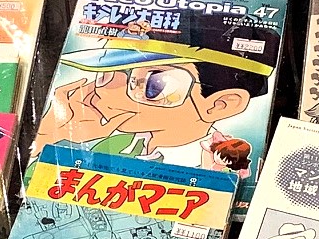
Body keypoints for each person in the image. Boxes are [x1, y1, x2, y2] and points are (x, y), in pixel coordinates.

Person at [34, 15, 280, 174]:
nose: (102, 90)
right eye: (105, 74)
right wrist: (48, 134)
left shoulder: (217, 163)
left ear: (220, 104)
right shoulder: (114, 143)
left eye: (155, 84)